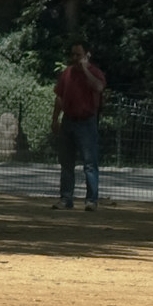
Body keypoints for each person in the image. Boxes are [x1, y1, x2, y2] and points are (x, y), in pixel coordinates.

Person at [51, 41, 106, 211]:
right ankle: (66, 198)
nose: (74, 58)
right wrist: (54, 119)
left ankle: (91, 201)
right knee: (66, 163)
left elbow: (99, 87)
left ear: (86, 55)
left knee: (90, 163)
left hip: (87, 122)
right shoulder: (66, 74)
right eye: (73, 54)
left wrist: (85, 70)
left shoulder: (95, 73)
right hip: (68, 121)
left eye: (78, 55)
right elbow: (59, 97)